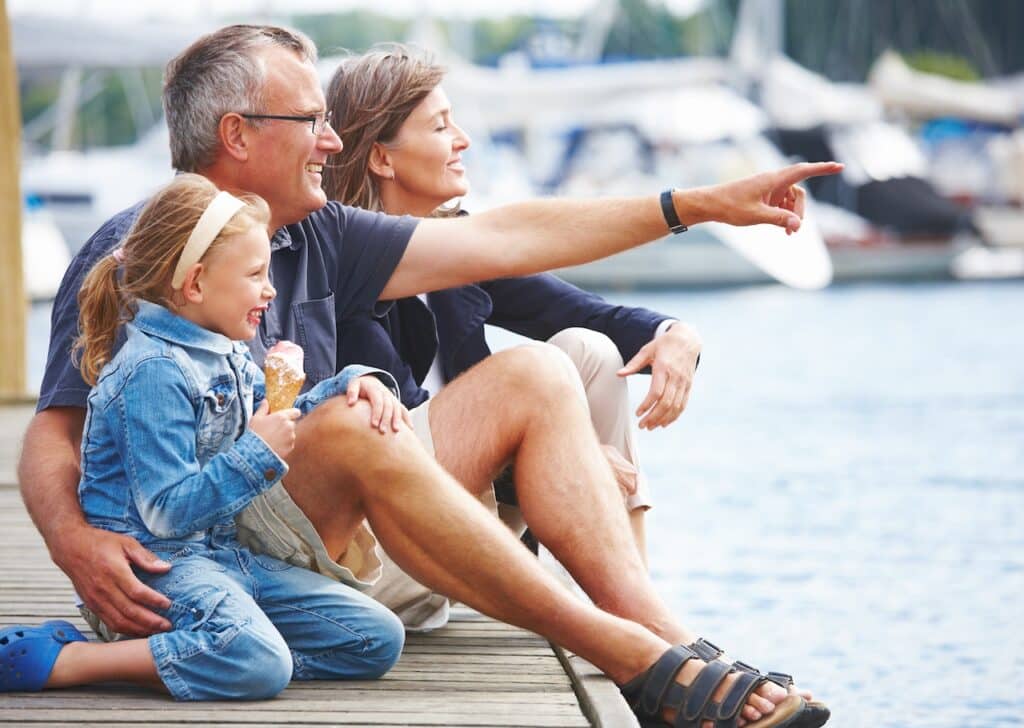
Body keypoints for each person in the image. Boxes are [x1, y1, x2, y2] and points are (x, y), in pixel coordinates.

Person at [20, 24, 837, 727]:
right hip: (203, 554)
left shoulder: (323, 234)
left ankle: (665, 644)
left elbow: (513, 239)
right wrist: (75, 542)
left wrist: (694, 205)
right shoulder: (141, 254)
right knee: (347, 419)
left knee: (538, 374)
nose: (331, 141)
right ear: (237, 136)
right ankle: (626, 654)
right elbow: (52, 433)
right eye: (311, 120)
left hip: (316, 536)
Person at [2, 174, 406, 699]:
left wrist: (351, 381)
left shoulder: (221, 349)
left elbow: (278, 408)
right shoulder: (152, 371)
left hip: (220, 556)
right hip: (158, 571)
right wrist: (256, 451)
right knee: (261, 663)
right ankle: (80, 659)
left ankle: (226, 647)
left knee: (377, 639)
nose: (271, 290)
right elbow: (166, 512)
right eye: (256, 274)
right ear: (194, 285)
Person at [321, 44, 698, 575]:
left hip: (477, 512)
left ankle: (631, 591)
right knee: (534, 380)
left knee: (589, 350)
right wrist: (571, 461)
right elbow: (408, 440)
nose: (463, 141)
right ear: (382, 157)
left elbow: (583, 312)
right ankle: (625, 614)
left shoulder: (456, 248)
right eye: (440, 127)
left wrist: (674, 331)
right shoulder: (343, 268)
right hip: (397, 539)